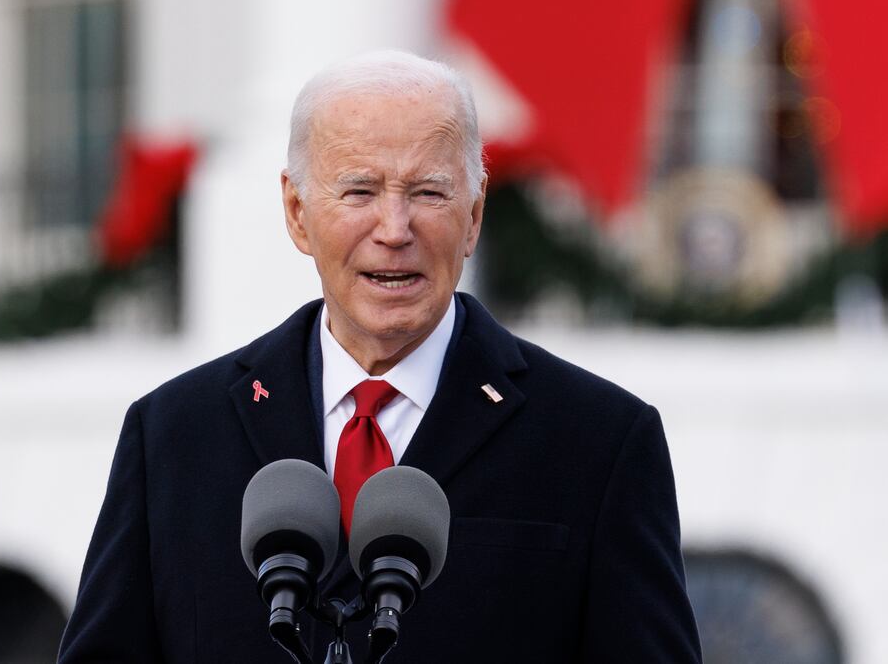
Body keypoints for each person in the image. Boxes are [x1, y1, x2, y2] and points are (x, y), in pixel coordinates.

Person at [58, 50, 702, 662]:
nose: (395, 230)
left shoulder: (600, 441)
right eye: (360, 192)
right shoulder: (174, 434)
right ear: (297, 212)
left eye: (428, 193)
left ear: (474, 214)